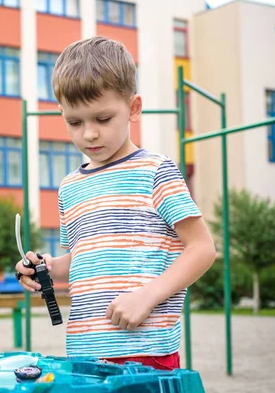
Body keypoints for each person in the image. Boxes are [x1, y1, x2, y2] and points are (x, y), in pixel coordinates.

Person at [15, 36, 216, 370]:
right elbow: (84, 259)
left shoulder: (155, 171)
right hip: (84, 351)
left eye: (102, 119)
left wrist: (148, 296)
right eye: (74, 122)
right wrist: (46, 269)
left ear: (133, 108)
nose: (89, 134)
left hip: (147, 349)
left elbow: (202, 248)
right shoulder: (69, 187)